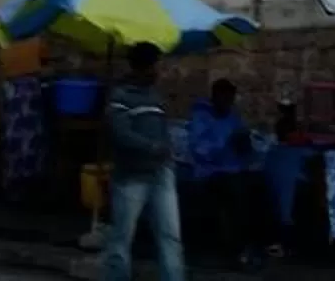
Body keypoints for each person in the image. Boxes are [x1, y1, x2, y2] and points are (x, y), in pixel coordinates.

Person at [102, 42, 185, 281]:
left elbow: (161, 129)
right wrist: (151, 146)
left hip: (161, 173)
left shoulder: (155, 97)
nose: (159, 71)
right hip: (131, 177)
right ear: (145, 67)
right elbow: (120, 133)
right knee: (122, 237)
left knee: (170, 237)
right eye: (157, 65)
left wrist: (166, 151)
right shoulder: (120, 96)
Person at [185, 77, 271, 267]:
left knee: (261, 185)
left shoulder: (233, 117)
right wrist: (225, 143)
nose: (227, 103)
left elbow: (245, 152)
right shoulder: (201, 117)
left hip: (234, 169)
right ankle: (236, 251)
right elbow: (200, 151)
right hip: (209, 172)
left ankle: (258, 245)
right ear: (214, 97)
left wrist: (246, 144)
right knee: (236, 190)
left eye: (230, 99)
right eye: (224, 98)